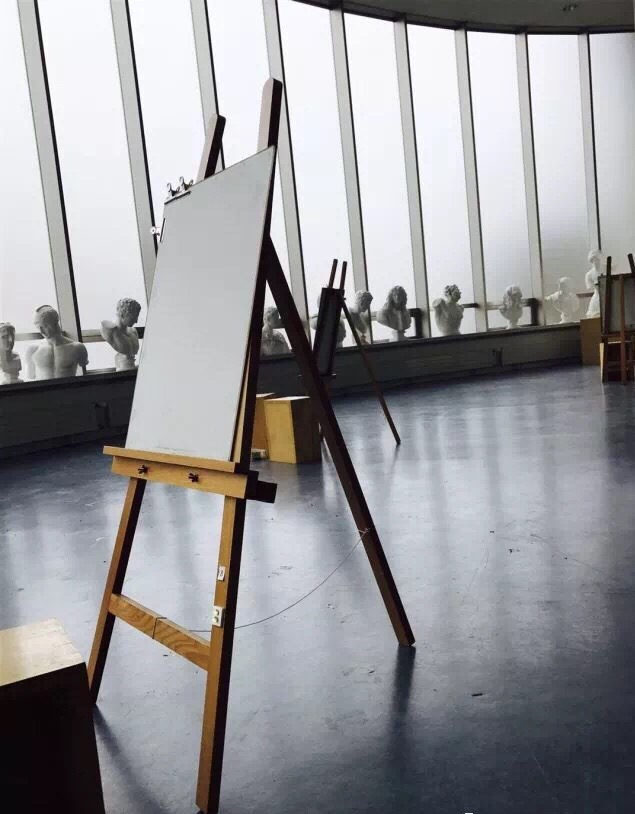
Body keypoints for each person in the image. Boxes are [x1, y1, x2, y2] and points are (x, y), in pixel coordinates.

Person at [25, 305, 88, 380]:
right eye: (39, 328)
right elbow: (30, 376)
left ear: (55, 323)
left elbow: (82, 371)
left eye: (45, 326)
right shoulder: (33, 350)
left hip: (69, 387)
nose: (41, 331)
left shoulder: (78, 348)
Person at [101, 298, 142, 370]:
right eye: (133, 317)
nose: (136, 321)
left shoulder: (133, 331)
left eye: (137, 317)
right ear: (122, 314)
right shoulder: (110, 330)